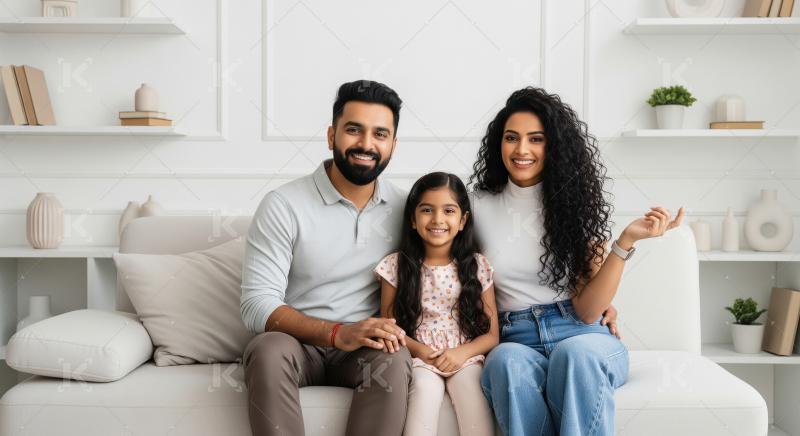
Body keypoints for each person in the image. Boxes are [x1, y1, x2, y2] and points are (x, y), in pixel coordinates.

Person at [470, 87, 685, 436]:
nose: (521, 150)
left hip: (581, 332)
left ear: (553, 146)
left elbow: (588, 312)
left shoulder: (577, 203)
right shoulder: (476, 206)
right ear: (499, 144)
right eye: (511, 138)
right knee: (505, 363)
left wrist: (625, 241)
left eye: (535, 139)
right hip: (516, 337)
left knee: (576, 355)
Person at [240, 80, 413, 436]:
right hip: (298, 345)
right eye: (354, 130)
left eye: (380, 134)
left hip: (366, 350)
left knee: (394, 357)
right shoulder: (284, 204)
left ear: (393, 145)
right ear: (332, 135)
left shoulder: (407, 209)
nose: (366, 144)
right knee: (267, 350)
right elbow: (256, 305)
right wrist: (336, 333)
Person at [376, 172, 499, 436]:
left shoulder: (477, 265)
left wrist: (460, 354)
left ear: (463, 220)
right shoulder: (396, 265)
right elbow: (388, 325)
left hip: (464, 356)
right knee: (423, 391)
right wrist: (421, 351)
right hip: (419, 357)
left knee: (472, 392)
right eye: (427, 210)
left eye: (449, 211)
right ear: (412, 218)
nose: (437, 220)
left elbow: (492, 335)